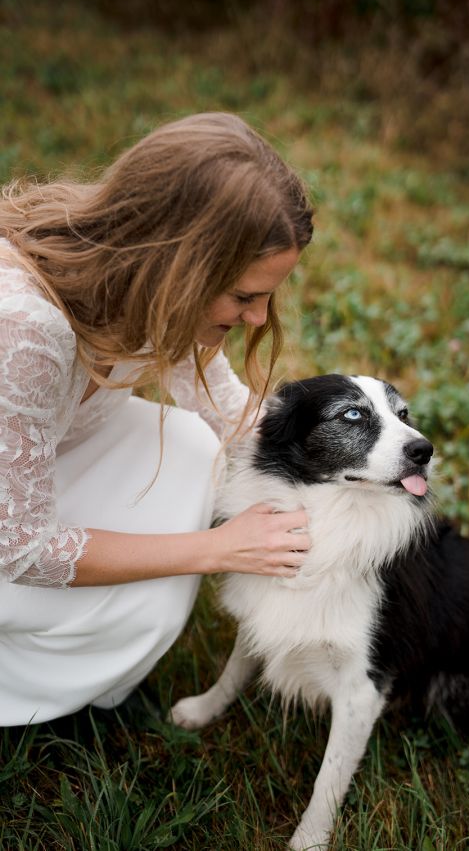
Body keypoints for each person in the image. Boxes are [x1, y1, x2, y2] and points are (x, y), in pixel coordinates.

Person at [0, 112, 314, 726]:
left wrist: (335, 466)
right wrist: (214, 548)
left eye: (267, 296)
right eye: (244, 297)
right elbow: (19, 547)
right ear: (179, 265)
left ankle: (89, 670)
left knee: (191, 446)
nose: (257, 319)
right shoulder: (26, 331)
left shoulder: (141, 288)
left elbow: (224, 408)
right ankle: (32, 690)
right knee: (173, 505)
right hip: (11, 538)